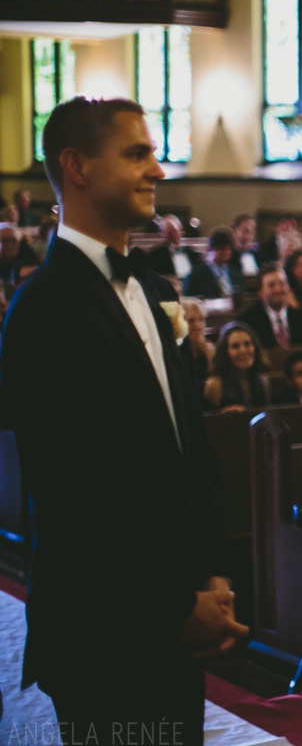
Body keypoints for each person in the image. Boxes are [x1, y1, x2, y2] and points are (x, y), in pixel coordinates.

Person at [0, 96, 247, 744]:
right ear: (76, 166)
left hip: (181, 610)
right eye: (137, 153)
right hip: (102, 625)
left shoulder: (157, 292)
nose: (158, 170)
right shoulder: (42, 308)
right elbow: (75, 493)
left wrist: (214, 577)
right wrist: (176, 607)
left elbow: (190, 447)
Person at [237, 262, 302, 348]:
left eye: (282, 283)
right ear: (261, 293)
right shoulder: (247, 322)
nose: (278, 289)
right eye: (271, 285)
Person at [203, 321, 271, 412]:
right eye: (235, 346)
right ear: (225, 353)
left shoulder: (262, 380)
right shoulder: (215, 385)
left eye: (247, 344)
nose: (243, 351)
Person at [184, 226, 244, 299]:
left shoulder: (237, 275)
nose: (227, 252)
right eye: (222, 249)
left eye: (229, 249)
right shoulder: (196, 275)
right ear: (211, 250)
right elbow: (190, 301)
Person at [146, 214, 200, 280]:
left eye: (174, 230)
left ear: (180, 231)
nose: (172, 235)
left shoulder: (191, 253)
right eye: (168, 232)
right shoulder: (154, 255)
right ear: (162, 234)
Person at [181, 297, 215, 394]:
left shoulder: (211, 351)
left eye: (201, 320)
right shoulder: (176, 354)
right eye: (191, 321)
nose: (198, 325)